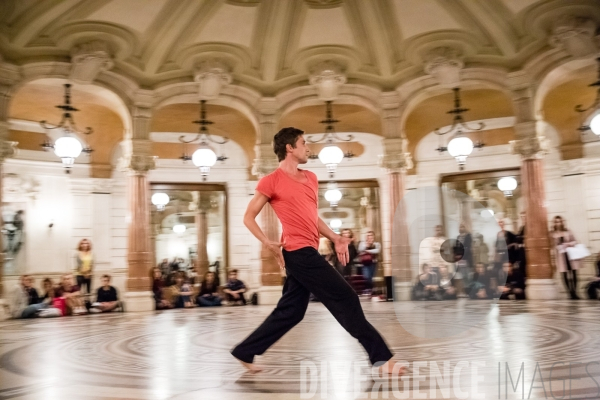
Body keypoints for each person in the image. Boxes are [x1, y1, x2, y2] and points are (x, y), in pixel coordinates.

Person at [230, 127, 398, 375]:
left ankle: (245, 351)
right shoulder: (271, 181)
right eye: (303, 143)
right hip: (297, 253)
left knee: (291, 311)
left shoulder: (310, 178)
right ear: (290, 148)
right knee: (346, 298)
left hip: (308, 250)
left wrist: (335, 238)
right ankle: (382, 359)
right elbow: (249, 217)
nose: (308, 147)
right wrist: (267, 241)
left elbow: (312, 217)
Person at [552, 216, 582, 300]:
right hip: (561, 256)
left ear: (562, 222)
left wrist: (568, 244)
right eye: (556, 222)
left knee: (574, 274)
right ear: (554, 223)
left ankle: (575, 292)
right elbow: (552, 246)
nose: (558, 223)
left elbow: (575, 241)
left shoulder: (568, 231)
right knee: (564, 275)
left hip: (571, 255)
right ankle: (570, 293)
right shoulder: (553, 233)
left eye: (559, 221)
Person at [358, 231, 381, 295]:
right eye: (368, 235)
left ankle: (370, 289)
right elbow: (360, 250)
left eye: (371, 235)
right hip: (365, 262)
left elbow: (377, 251)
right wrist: (367, 245)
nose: (369, 237)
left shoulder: (377, 244)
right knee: (366, 276)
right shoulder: (362, 243)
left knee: (371, 277)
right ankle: (368, 289)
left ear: (373, 236)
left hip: (373, 262)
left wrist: (367, 251)